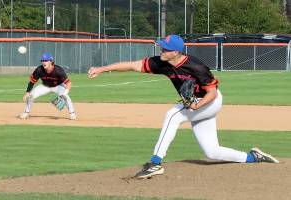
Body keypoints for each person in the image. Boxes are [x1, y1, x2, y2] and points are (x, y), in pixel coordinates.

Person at [88, 35, 279, 179]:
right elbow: (131, 65)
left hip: (209, 102)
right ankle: (253, 157)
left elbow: (212, 92)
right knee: (212, 151)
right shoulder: (161, 63)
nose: (161, 50)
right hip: (195, 105)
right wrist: (101, 69)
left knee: (173, 115)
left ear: (175, 52)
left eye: (164, 48)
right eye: (161, 47)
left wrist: (198, 105)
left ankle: (155, 163)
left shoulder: (196, 66)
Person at [19, 52, 76, 120]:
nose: (44, 62)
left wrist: (65, 93)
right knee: (31, 96)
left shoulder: (58, 70)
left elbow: (68, 83)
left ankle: (72, 113)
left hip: (58, 86)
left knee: (65, 96)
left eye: (46, 60)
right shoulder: (39, 70)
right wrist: (27, 92)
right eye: (42, 60)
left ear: (51, 61)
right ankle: (26, 112)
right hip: (45, 86)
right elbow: (32, 82)